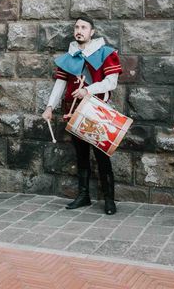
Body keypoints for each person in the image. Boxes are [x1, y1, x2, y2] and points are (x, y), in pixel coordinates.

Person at [42, 17, 122, 214]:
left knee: (102, 155)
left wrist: (89, 90)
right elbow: (60, 84)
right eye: (76, 27)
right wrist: (50, 107)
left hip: (96, 109)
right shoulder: (69, 56)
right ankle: (84, 195)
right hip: (73, 111)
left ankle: (109, 200)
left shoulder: (105, 53)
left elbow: (111, 82)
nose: (79, 30)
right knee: (81, 155)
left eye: (83, 27)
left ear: (92, 32)